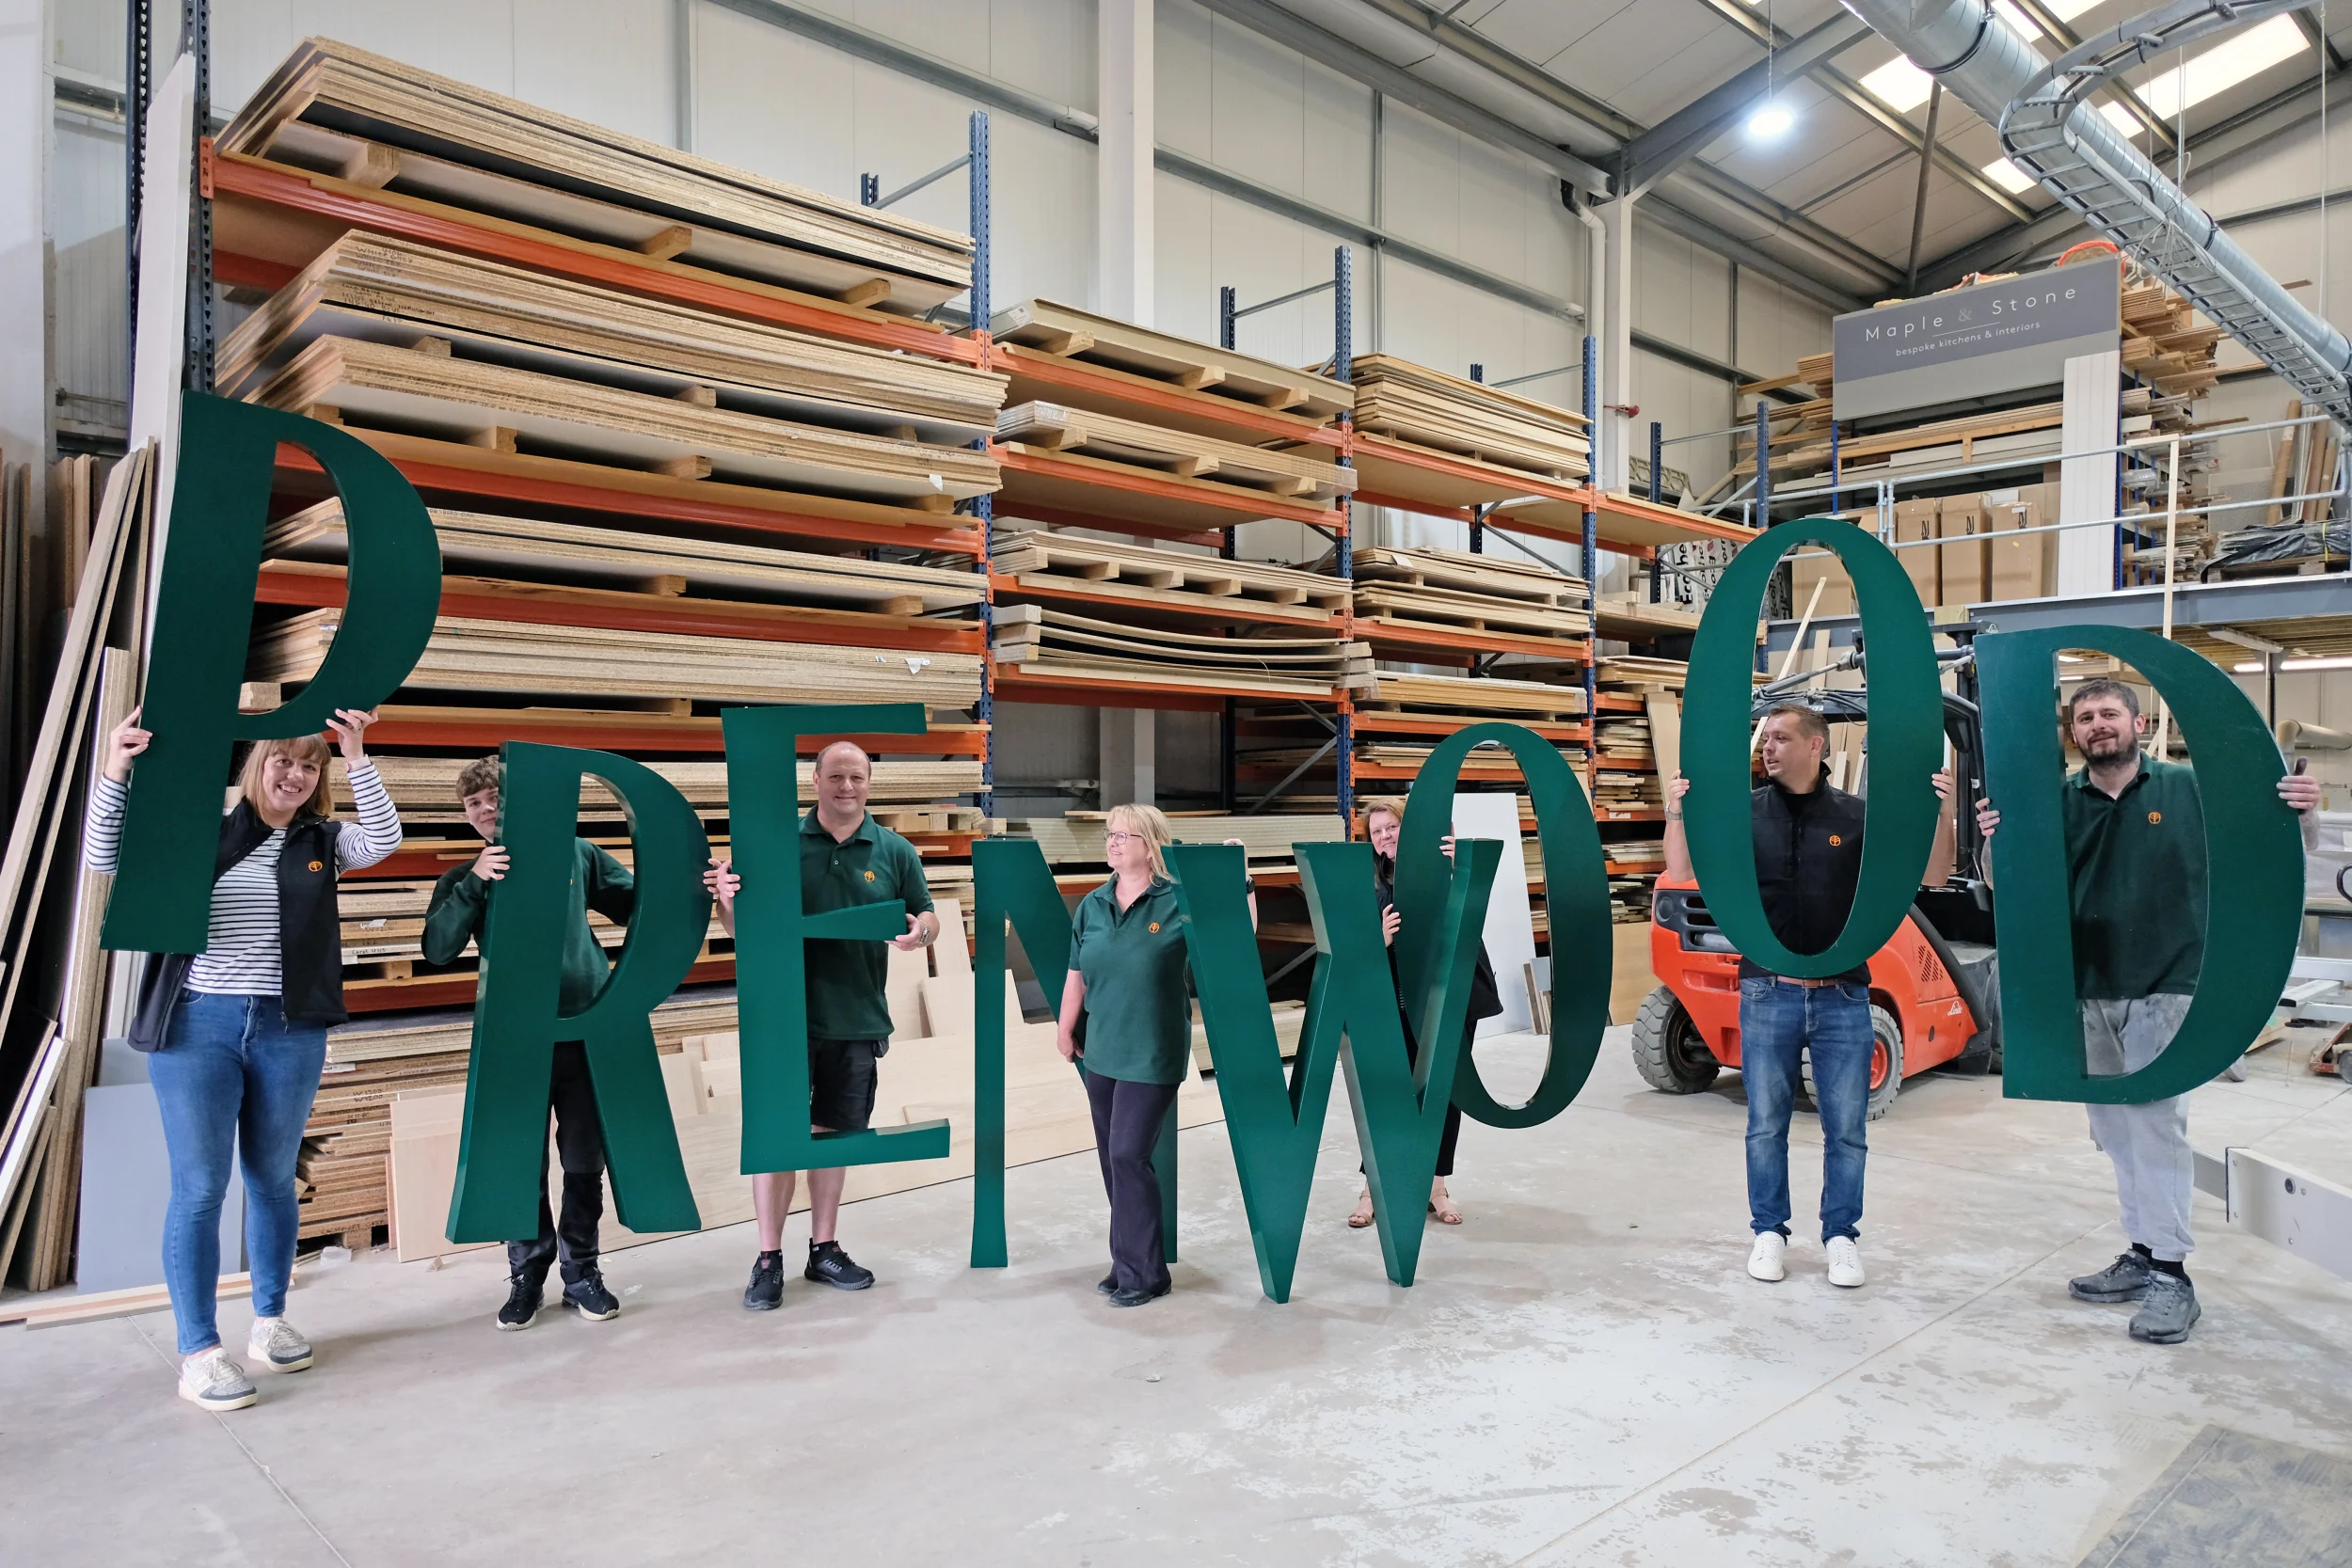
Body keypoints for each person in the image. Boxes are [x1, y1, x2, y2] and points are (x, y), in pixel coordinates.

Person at [1976, 677, 2319, 1343]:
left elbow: (2277, 852)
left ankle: (2171, 1273)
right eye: (2085, 718)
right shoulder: (2054, 801)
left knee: (2155, 1125)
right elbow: (2002, 881)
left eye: (2109, 713)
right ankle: (2141, 1250)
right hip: (2086, 987)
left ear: (2139, 721)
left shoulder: (2189, 788)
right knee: (2114, 1130)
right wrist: (1995, 837)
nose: (2098, 725)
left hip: (2170, 981)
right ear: (2073, 734)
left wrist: (2304, 812)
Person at [84, 705, 401, 1411]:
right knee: (200, 1188)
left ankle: (270, 1317)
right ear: (258, 763)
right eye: (284, 759)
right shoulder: (205, 828)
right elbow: (105, 855)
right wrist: (116, 763)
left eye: (308, 763)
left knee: (273, 1179)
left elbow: (385, 837)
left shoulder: (324, 838)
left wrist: (354, 750)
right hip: (199, 1025)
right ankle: (199, 1350)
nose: (295, 773)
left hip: (290, 1029)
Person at [1663, 702, 1955, 1290]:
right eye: (1764, 739)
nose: (1766, 748)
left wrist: (1943, 811)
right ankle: (1768, 1231)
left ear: (1816, 746)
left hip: (1843, 997)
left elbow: (1934, 875)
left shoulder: (1857, 816)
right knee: (1765, 1123)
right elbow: (1681, 868)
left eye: (1779, 738)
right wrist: (1675, 815)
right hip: (1766, 992)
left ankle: (1841, 1237)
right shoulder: (1742, 815)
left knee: (1846, 1127)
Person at [707, 740, 935, 1309]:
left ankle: (824, 1248)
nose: (846, 787)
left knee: (835, 1136)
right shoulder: (775, 846)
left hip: (855, 1017)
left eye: (856, 777)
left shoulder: (895, 850)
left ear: (869, 784)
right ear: (815, 781)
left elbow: (926, 915)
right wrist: (726, 900)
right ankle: (767, 1257)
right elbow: (739, 930)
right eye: (836, 776)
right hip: (781, 1020)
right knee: (778, 1139)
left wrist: (922, 932)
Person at [421, 756, 634, 1331]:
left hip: (585, 1025)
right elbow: (437, 950)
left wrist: (701, 884)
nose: (487, 810)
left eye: (495, 797)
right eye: (474, 805)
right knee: (518, 1158)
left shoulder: (576, 853)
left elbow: (636, 903)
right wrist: (475, 883)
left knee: (584, 1157)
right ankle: (527, 1276)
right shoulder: (463, 878)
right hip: (514, 1037)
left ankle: (582, 1271)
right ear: (468, 818)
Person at [1056, 804, 1255, 1307]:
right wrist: (1064, 1029)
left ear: (1150, 842)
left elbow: (1238, 934)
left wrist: (1242, 881)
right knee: (1110, 1160)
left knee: (1128, 1155)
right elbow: (1076, 970)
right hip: (1100, 1051)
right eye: (1110, 835)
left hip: (1152, 1052)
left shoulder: (1176, 901)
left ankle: (1147, 1274)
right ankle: (1127, 1262)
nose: (1113, 842)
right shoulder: (1094, 903)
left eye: (1124, 834)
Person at [1344, 796, 1501, 1230]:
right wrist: (1381, 941)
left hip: (1449, 997)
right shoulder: (1372, 887)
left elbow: (1471, 916)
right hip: (1397, 1001)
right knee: (1393, 1093)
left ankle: (1436, 1186)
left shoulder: (1445, 870)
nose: (1384, 837)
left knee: (1446, 1094)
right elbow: (1356, 953)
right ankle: (1373, 1188)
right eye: (1376, 832)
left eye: (1391, 826)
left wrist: (1459, 870)